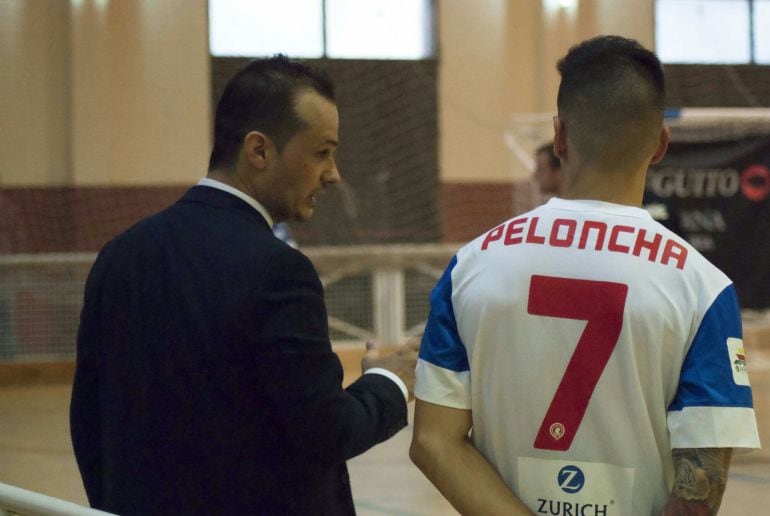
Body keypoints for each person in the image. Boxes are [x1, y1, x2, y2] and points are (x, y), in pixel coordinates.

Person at [409, 35, 761, 515]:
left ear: (558, 137)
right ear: (661, 145)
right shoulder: (704, 287)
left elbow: (433, 441)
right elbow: (700, 486)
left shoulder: (472, 264)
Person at [70, 55, 418, 515]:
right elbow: (328, 432)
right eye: (322, 152)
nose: (333, 174)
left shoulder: (119, 254)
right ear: (259, 151)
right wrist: (390, 378)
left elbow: (88, 423)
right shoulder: (279, 272)